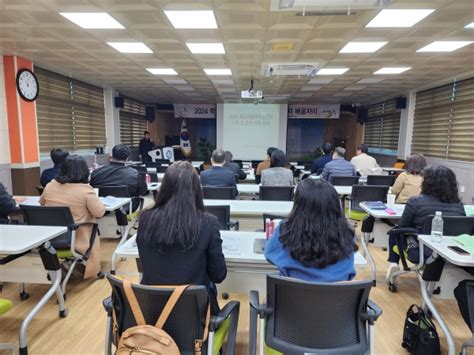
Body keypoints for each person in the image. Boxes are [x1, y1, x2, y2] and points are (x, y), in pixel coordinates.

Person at [136, 161, 226, 314]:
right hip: (195, 317)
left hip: (153, 313)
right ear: (197, 189)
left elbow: (146, 260)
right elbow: (218, 275)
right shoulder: (208, 223)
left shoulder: (145, 219)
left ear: (164, 187)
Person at [265, 179, 357, 281]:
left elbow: (269, 254)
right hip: (338, 295)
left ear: (297, 206)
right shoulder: (347, 233)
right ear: (335, 205)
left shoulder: (285, 230)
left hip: (292, 295)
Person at [386, 166, 465, 279]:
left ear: (427, 182)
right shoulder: (459, 205)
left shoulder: (416, 201)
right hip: (450, 253)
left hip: (422, 252)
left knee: (395, 231)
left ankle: (393, 263)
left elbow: (402, 226)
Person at [40, 155, 106, 278]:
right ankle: (92, 269)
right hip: (78, 238)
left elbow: (42, 203)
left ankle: (69, 263)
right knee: (93, 229)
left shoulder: (50, 185)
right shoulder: (85, 190)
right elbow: (99, 212)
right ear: (84, 171)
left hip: (51, 237)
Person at [90, 144, 147, 210]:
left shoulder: (96, 173)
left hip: (103, 207)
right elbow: (143, 191)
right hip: (127, 208)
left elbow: (92, 190)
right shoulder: (134, 174)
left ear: (111, 156)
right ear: (127, 158)